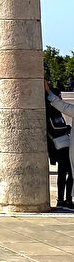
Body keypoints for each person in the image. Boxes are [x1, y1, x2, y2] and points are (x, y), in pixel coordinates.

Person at [45, 79, 74, 211]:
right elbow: (54, 127)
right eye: (59, 96)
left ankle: (65, 199)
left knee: (66, 173)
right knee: (66, 173)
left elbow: (63, 108)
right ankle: (63, 200)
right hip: (60, 146)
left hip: (64, 145)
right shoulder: (52, 112)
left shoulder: (57, 111)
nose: (61, 98)